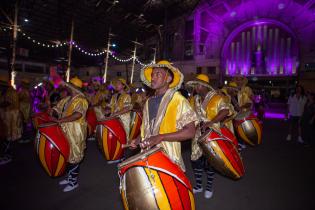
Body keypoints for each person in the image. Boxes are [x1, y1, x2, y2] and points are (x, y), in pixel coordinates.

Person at [130, 60, 197, 172]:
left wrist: (161, 137)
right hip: (147, 154)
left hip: (168, 156)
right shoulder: (148, 102)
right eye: (152, 75)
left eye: (158, 74)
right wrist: (137, 141)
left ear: (168, 79)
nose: (153, 78)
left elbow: (190, 132)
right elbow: (145, 129)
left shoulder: (178, 100)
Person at [187, 74, 236, 199]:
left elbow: (225, 111)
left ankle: (209, 186)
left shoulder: (218, 98)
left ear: (205, 86)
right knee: (195, 161)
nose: (196, 88)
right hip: (197, 135)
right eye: (195, 85)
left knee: (210, 162)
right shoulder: (193, 99)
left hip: (211, 134)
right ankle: (199, 185)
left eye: (198, 85)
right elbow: (188, 114)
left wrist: (211, 122)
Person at [51, 77, 88, 192]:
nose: (66, 86)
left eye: (68, 85)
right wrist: (53, 113)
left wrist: (60, 120)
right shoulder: (67, 99)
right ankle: (69, 178)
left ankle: (73, 182)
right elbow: (57, 108)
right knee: (67, 154)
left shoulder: (81, 100)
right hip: (65, 129)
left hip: (76, 131)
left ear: (74, 87)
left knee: (75, 156)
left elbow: (77, 115)